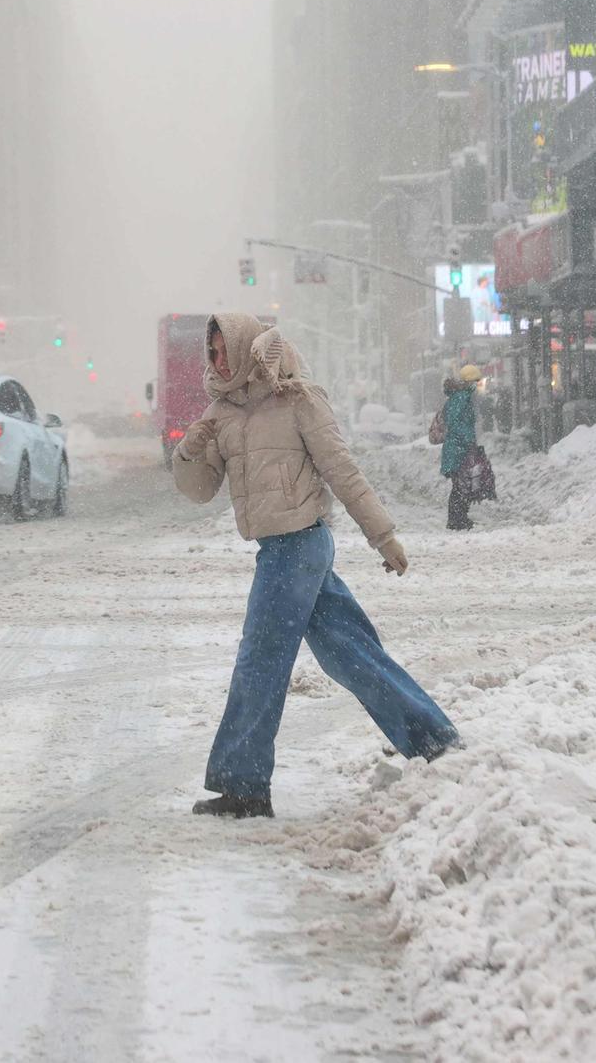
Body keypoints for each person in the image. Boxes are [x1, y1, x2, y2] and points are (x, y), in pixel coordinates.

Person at [171, 314, 459, 818]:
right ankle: (433, 738)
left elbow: (341, 469)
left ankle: (244, 787)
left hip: (297, 548)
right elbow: (199, 491)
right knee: (351, 654)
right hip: (283, 551)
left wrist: (383, 535)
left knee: (259, 661)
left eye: (222, 350)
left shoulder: (296, 398)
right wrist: (189, 452)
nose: (216, 361)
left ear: (242, 347)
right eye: (210, 353)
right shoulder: (222, 412)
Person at [436, 366, 483, 531]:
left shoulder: (460, 397)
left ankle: (458, 518)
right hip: (458, 449)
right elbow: (457, 424)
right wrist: (469, 442)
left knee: (461, 485)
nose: (478, 386)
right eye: (476, 382)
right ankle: (457, 519)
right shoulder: (462, 398)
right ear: (470, 382)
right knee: (461, 485)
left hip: (457, 448)